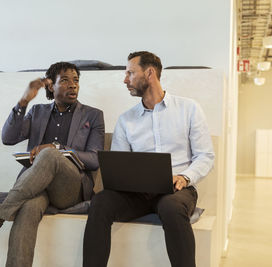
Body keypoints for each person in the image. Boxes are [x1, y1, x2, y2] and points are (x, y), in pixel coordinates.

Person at [0, 62, 104, 267]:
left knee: (49, 153)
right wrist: (23, 102)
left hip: (71, 188)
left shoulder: (92, 115)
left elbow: (95, 159)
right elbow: (8, 137)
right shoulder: (37, 112)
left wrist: (57, 148)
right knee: (28, 206)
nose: (73, 85)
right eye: (65, 80)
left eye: (76, 80)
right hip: (38, 187)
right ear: (50, 86)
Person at [83, 51, 214, 267]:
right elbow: (119, 163)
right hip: (137, 194)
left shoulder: (189, 109)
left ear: (150, 73)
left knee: (172, 209)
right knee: (101, 202)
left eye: (130, 73)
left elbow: (205, 155)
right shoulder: (126, 119)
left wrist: (184, 177)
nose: (125, 80)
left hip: (177, 190)